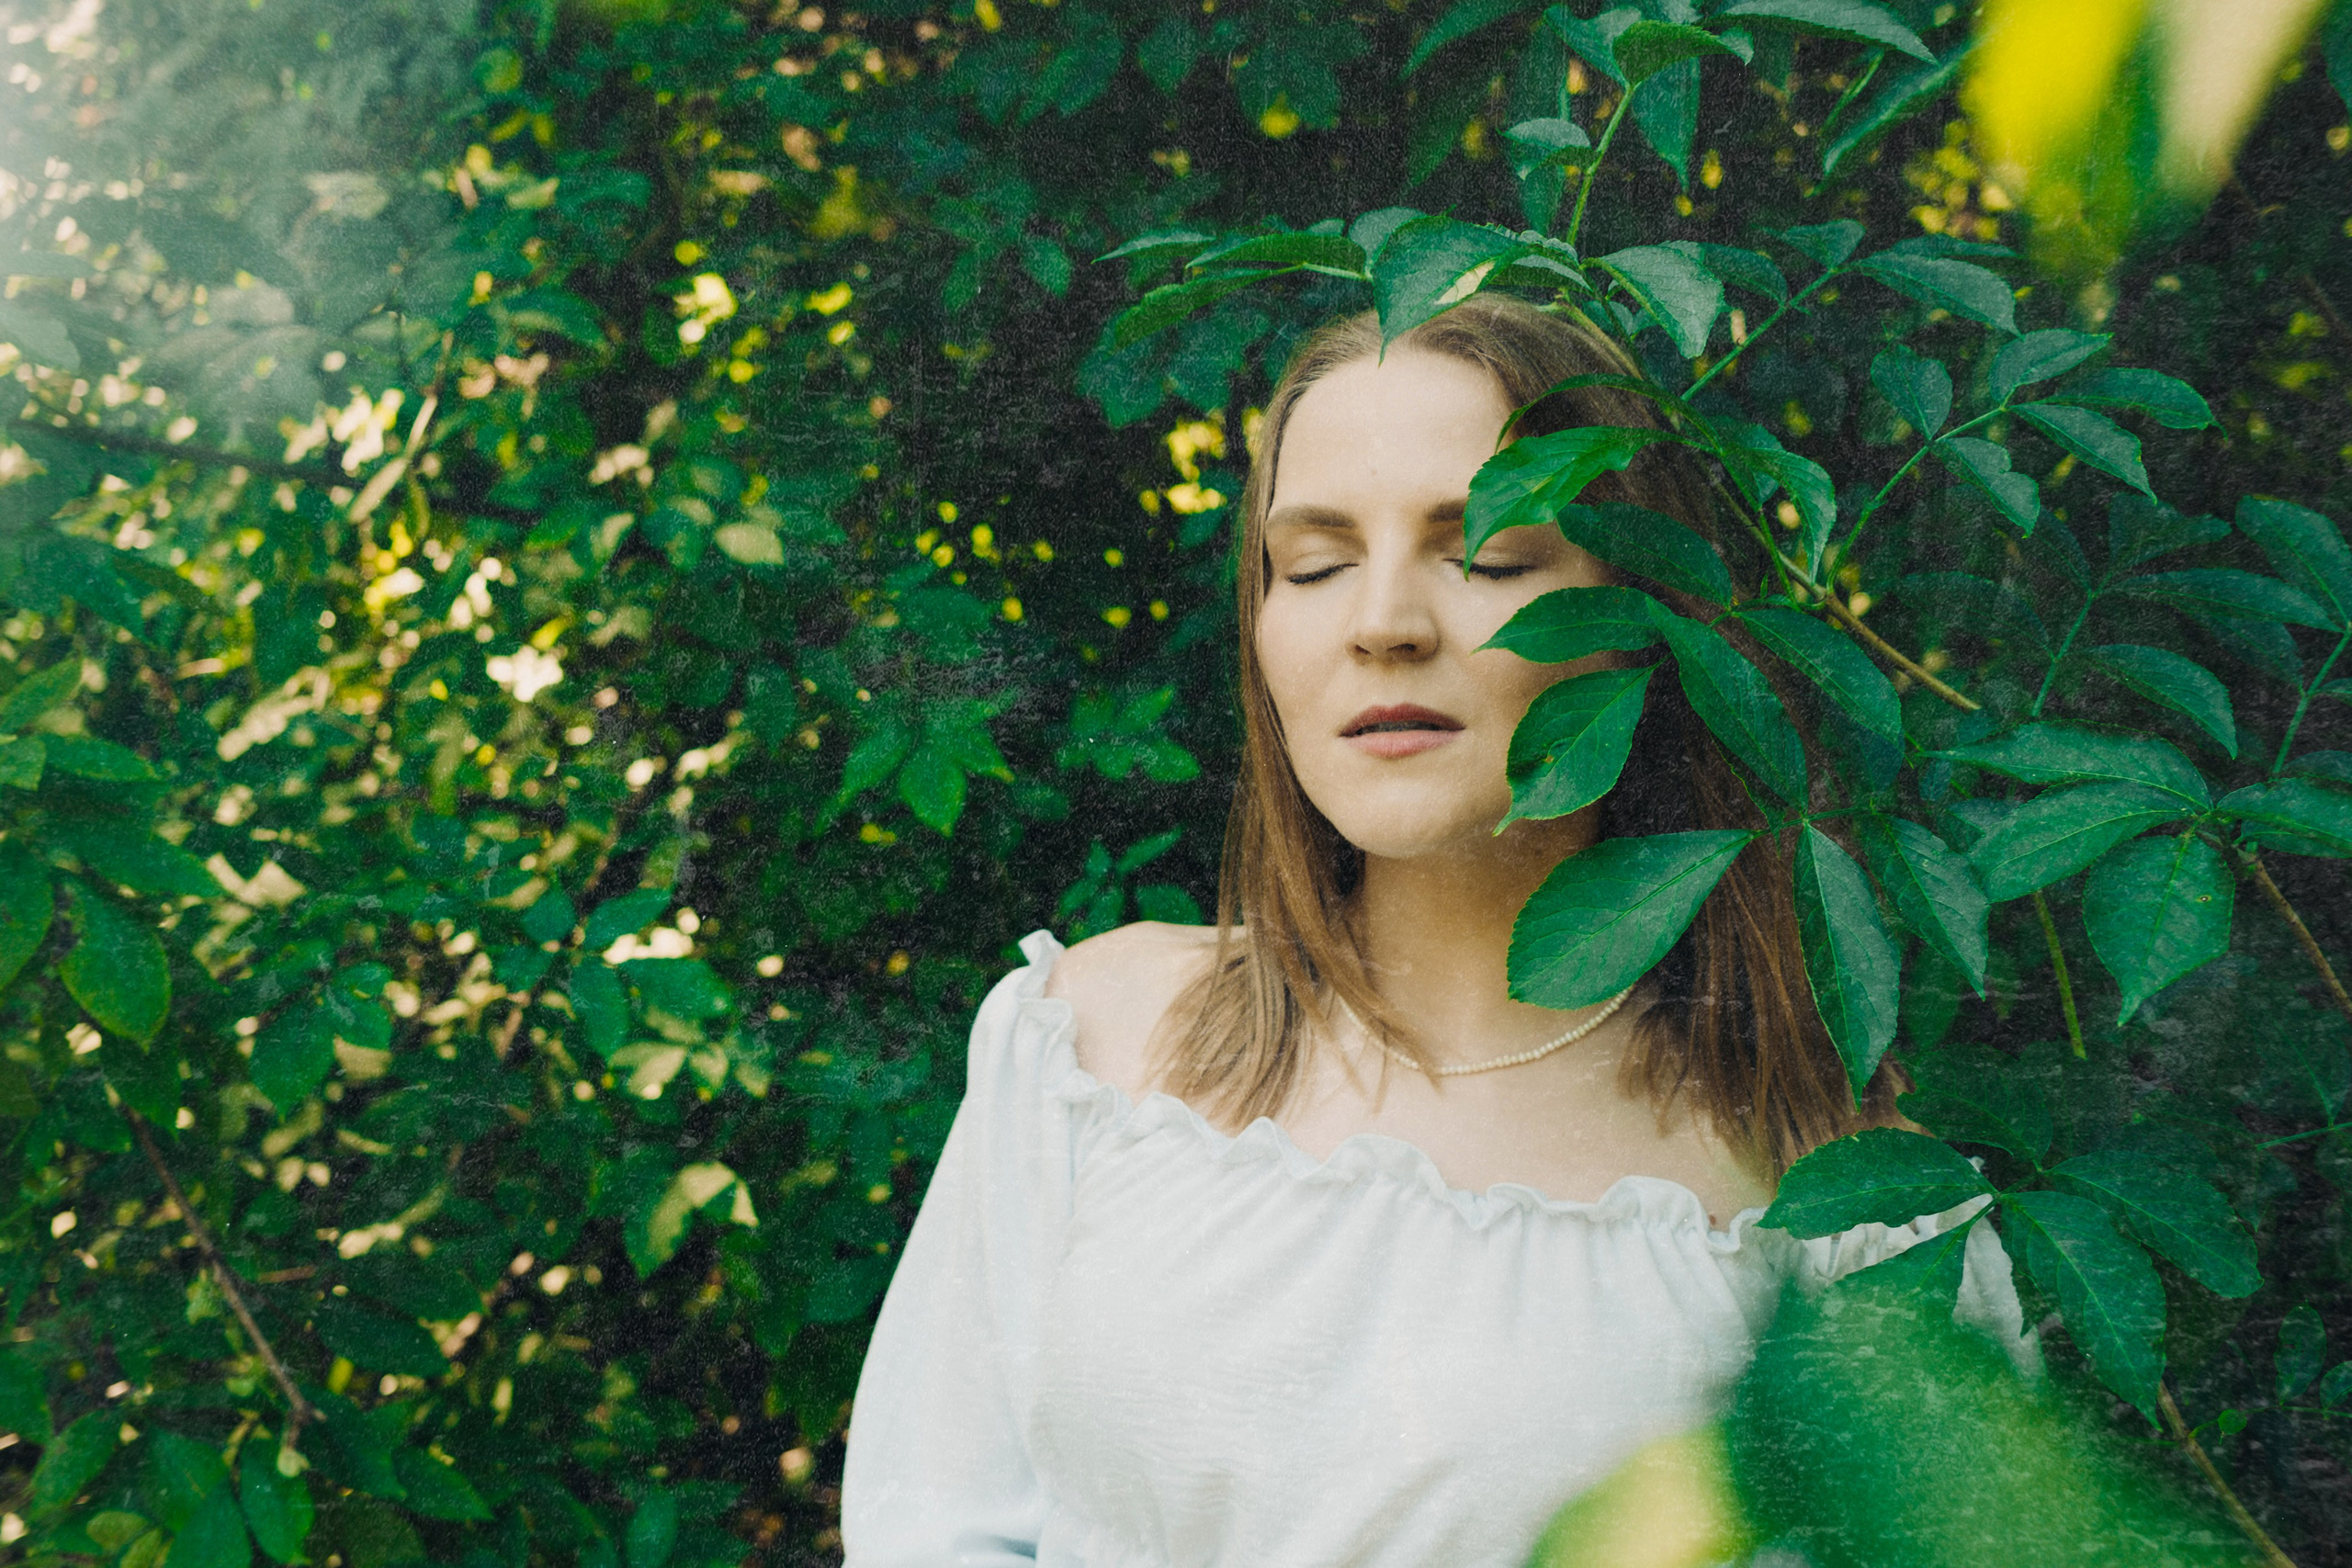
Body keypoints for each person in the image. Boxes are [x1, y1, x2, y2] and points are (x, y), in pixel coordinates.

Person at [839, 294, 2034, 1565]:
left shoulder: (1844, 1194)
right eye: (1313, 564)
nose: (1385, 622)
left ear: (1643, 615)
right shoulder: (1098, 1049)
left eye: (1490, 557)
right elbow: (932, 1527)